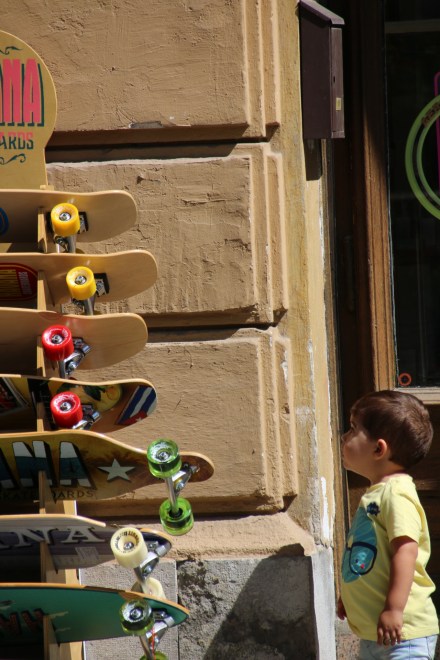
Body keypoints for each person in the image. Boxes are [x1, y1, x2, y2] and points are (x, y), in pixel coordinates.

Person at [337, 390, 439, 659]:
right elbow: (369, 553)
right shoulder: (378, 493)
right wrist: (352, 595)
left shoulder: (396, 494)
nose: (344, 437)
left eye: (353, 429)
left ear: (378, 449)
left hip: (404, 635)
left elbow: (406, 550)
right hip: (376, 634)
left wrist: (394, 609)